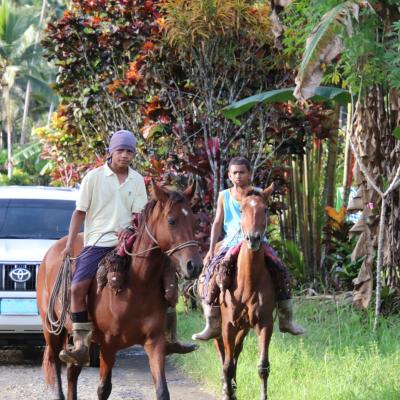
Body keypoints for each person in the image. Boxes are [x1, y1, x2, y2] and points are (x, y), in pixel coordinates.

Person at [59, 130, 195, 366]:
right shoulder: (93, 178)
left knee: (168, 279)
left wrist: (131, 230)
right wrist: (70, 243)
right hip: (98, 242)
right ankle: (81, 343)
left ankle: (169, 336)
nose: (125, 155)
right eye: (120, 150)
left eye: (129, 151)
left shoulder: (136, 180)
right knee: (77, 288)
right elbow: (79, 212)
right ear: (110, 152)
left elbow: (139, 215)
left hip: (130, 240)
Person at [192, 156, 306, 341]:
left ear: (249, 174)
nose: (238, 176)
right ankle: (212, 321)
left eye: (242, 172)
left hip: (258, 240)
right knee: (214, 271)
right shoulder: (224, 195)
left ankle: (286, 319)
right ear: (229, 175)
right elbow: (218, 222)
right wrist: (212, 248)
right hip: (231, 241)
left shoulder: (259, 193)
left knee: (280, 269)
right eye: (234, 173)